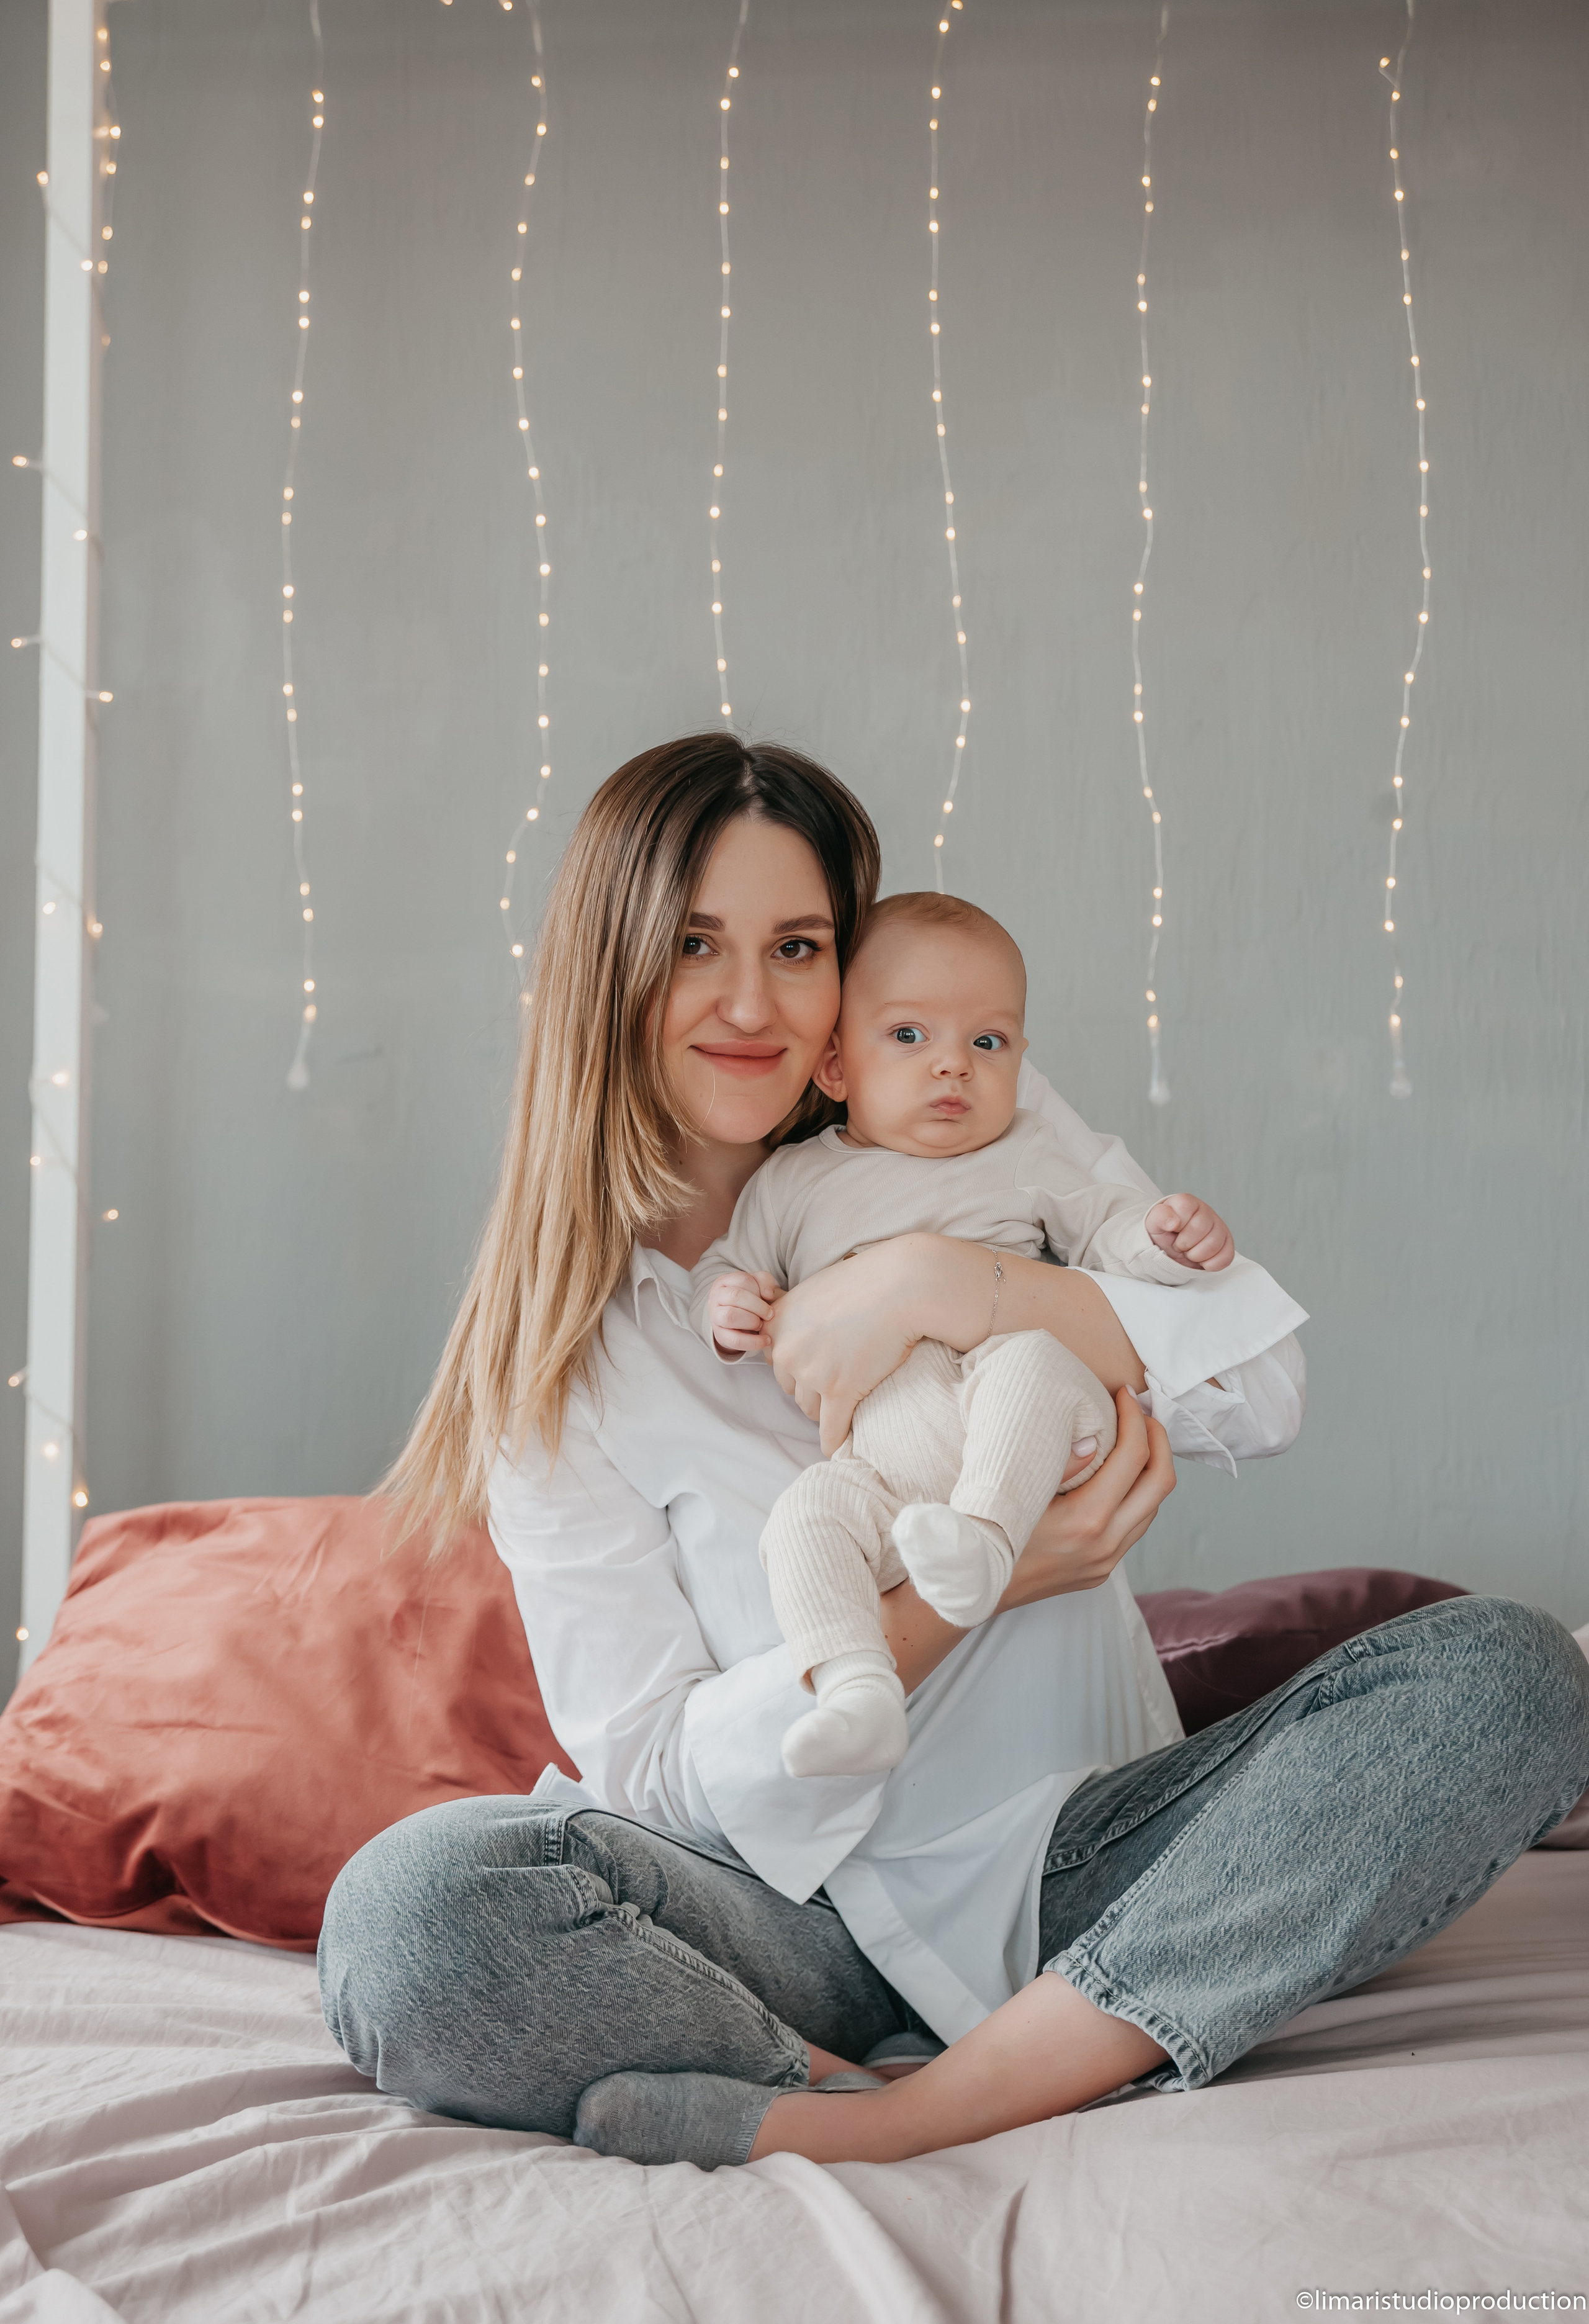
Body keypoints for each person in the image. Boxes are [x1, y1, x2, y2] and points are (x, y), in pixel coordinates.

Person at [318, 732, 1589, 2175]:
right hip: (783, 1922)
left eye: (796, 946)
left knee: (1508, 1671)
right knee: (410, 1912)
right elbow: (656, 1773)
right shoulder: (562, 1362)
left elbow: (1257, 1385)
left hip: (1099, 1854)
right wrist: (965, 1597)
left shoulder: (961, 1108)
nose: (750, 1003)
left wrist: (948, 1283)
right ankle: (870, 2065)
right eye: (692, 946)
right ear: (611, 966)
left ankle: (923, 2112)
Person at [692, 886, 1238, 1780]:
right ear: (835, 1068)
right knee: (804, 1518)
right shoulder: (793, 1183)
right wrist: (728, 1308)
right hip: (885, 1466)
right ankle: (857, 1686)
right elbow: (725, 1267)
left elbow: (1115, 1231)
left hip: (1030, 1423)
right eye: (909, 1037)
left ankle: (986, 1538)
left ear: (1020, 1060)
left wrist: (1168, 1238)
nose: (954, 1067)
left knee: (1029, 1358)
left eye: (987, 1043)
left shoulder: (1025, 1155)